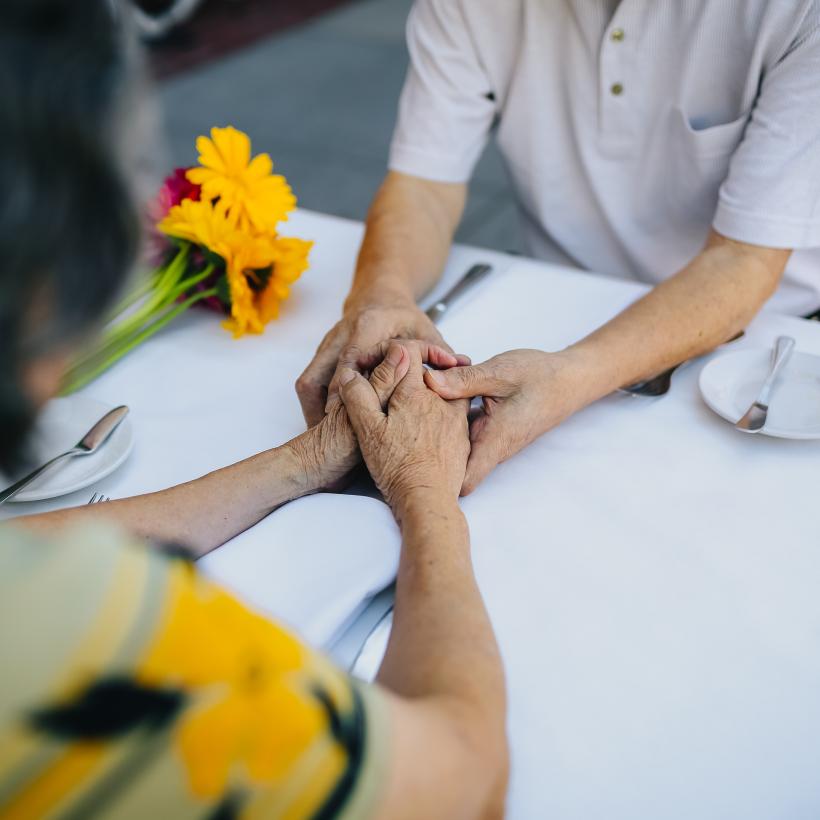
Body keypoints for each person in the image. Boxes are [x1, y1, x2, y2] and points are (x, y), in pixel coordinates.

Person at [0, 2, 508, 818]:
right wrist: (424, 495)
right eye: (132, 169)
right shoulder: (92, 646)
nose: (148, 216)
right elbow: (464, 780)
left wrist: (301, 463)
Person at [297, 0, 819, 495]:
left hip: (767, 349)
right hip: (548, 311)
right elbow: (424, 183)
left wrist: (573, 377)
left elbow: (743, 259)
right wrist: (381, 292)